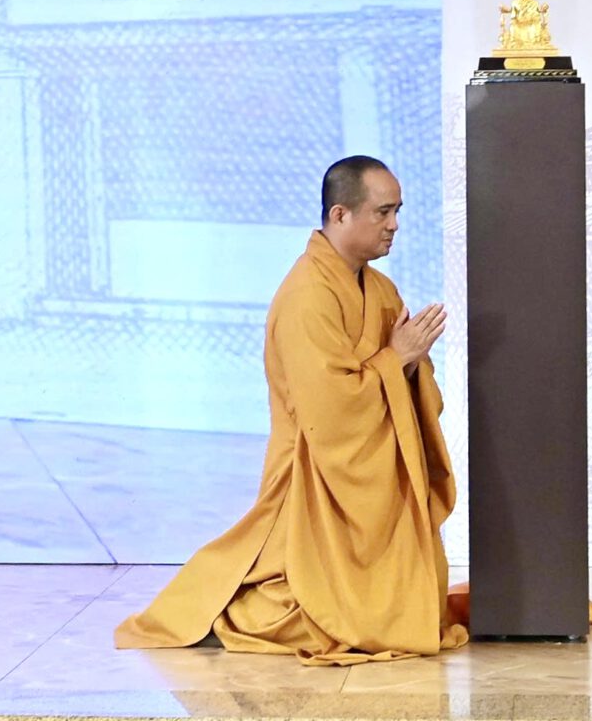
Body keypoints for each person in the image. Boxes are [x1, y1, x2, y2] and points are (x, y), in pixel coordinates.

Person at [115, 155, 468, 665]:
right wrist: (396, 360)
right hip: (315, 472)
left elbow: (404, 380)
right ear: (340, 214)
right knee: (307, 603)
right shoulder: (307, 295)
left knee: (405, 604)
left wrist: (409, 364)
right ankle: (230, 615)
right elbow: (330, 409)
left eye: (398, 212)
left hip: (372, 475)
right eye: (383, 212)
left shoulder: (380, 290)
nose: (394, 225)